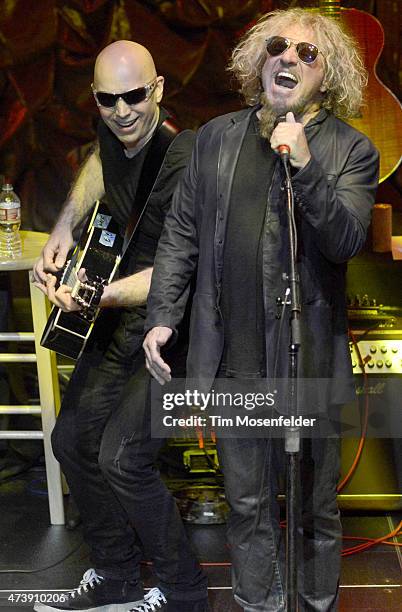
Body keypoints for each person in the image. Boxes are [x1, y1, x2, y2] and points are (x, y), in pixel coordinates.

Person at [143, 8, 379, 612]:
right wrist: (164, 314)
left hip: (309, 364)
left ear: (328, 75)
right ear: (258, 58)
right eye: (279, 47)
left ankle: (315, 604)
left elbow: (346, 239)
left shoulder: (350, 149)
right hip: (234, 363)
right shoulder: (216, 138)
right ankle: (257, 603)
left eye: (308, 53)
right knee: (245, 504)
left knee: (314, 507)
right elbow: (181, 234)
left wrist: (304, 164)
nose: (289, 59)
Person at [32, 40, 208, 612]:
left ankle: (184, 590)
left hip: (167, 327)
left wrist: (96, 295)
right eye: (108, 100)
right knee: (71, 441)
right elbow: (100, 164)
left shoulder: (185, 158)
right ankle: (117, 575)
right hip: (117, 318)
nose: (122, 111)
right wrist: (64, 225)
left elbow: (180, 271)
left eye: (135, 96)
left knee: (121, 456)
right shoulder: (114, 131)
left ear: (157, 90)